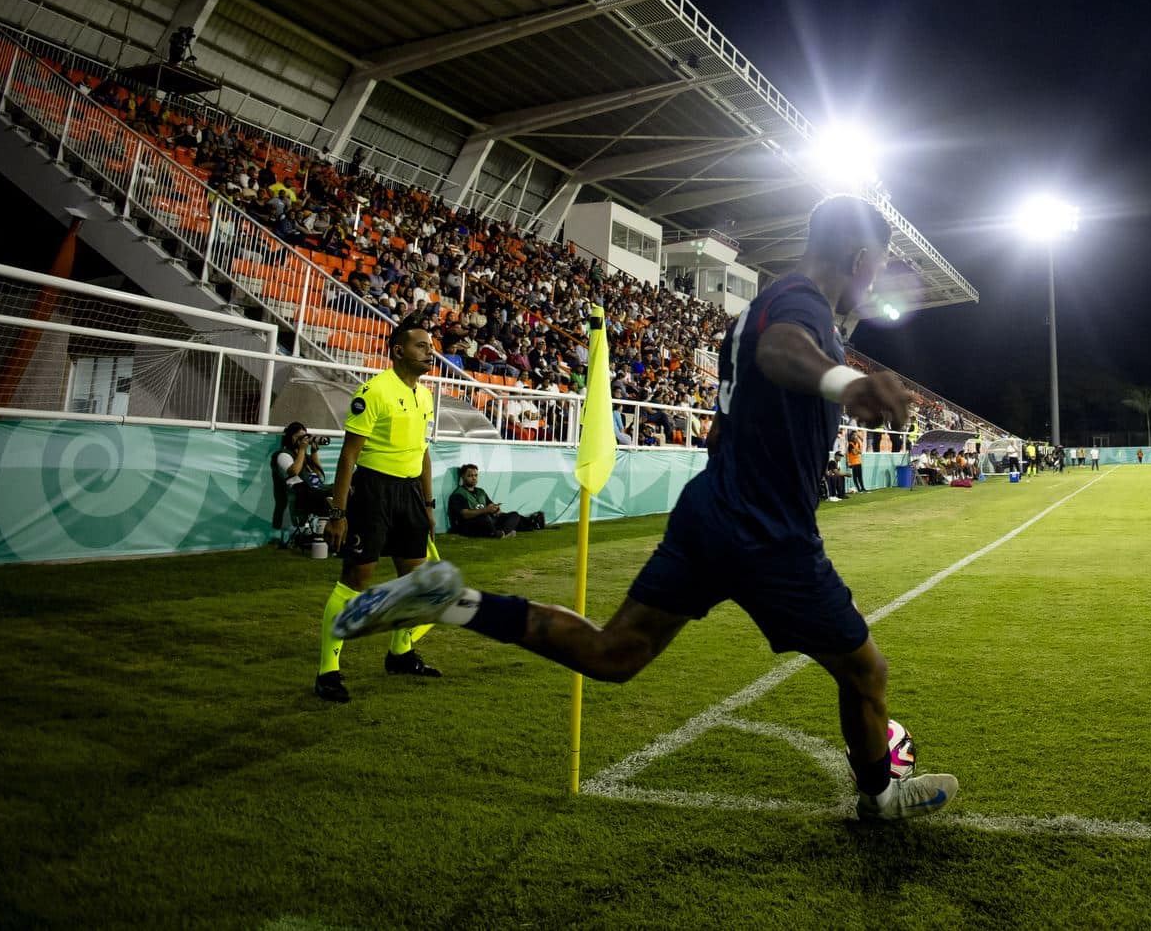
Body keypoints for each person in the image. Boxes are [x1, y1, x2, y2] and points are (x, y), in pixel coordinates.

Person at [334, 196, 959, 820]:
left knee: (615, 653)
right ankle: (879, 798)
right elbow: (783, 353)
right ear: (859, 258)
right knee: (865, 671)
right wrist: (846, 384)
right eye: (876, 268)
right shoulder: (801, 309)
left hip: (711, 512)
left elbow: (727, 423)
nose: (874, 284)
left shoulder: (753, 314)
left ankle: (453, 602)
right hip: (769, 534)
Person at [313, 320, 444, 702]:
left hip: (409, 496)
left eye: (430, 346)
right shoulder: (373, 392)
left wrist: (428, 503)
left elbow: (422, 452)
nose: (429, 351)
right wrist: (338, 514)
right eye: (421, 345)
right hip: (373, 492)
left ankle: (400, 653)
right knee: (355, 581)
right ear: (398, 350)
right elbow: (349, 455)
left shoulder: (425, 396)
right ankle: (327, 672)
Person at [271, 421, 329, 543]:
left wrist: (313, 452)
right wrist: (302, 450)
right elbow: (294, 471)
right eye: (301, 437)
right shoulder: (283, 455)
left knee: (342, 491)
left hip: (314, 489)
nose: (304, 440)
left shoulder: (305, 457)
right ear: (292, 438)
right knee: (326, 500)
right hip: (300, 495)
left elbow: (318, 475)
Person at [845, 428, 865, 493]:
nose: (855, 436)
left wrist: (857, 451)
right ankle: (858, 489)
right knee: (855, 477)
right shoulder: (850, 444)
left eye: (856, 435)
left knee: (860, 476)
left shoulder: (858, 443)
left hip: (858, 461)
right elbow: (854, 453)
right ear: (851, 436)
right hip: (853, 462)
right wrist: (857, 451)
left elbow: (860, 452)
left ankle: (863, 488)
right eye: (854, 435)